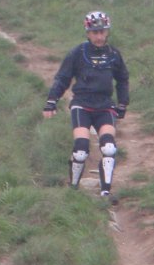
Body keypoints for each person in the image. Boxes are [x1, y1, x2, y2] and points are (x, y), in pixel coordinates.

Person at [43, 11, 129, 199]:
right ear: (88, 33)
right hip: (82, 105)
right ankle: (73, 188)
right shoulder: (78, 53)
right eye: (95, 32)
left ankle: (105, 192)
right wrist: (51, 101)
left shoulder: (114, 54)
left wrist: (123, 103)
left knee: (109, 148)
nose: (99, 36)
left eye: (102, 32)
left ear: (107, 31)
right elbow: (63, 78)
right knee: (81, 149)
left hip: (105, 105)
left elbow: (122, 79)